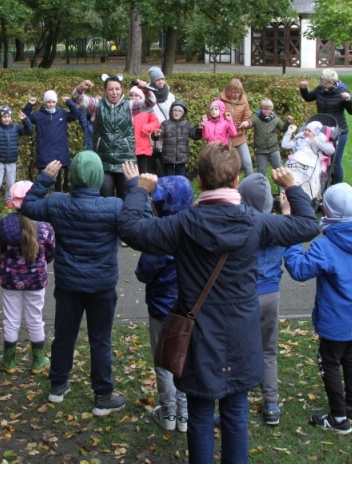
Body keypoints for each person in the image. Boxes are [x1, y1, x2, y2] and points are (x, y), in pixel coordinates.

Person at [118, 144, 320, 464]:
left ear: (200, 180)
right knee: (236, 416)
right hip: (241, 333)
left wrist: (138, 189)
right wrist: (293, 187)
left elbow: (131, 228)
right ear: (236, 180)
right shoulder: (255, 223)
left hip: (198, 334)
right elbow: (308, 225)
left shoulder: (182, 224)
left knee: (200, 415)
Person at [284, 184, 352, 434]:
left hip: (335, 320)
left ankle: (338, 417)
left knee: (330, 362)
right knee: (351, 358)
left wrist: (292, 231)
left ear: (326, 209)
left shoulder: (325, 246)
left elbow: (298, 269)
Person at [20, 152, 127, 416]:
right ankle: (102, 395)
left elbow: (28, 205)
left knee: (65, 335)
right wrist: (135, 186)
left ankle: (58, 385)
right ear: (99, 177)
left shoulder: (57, 202)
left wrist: (45, 178)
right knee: (100, 339)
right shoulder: (114, 206)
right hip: (102, 285)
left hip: (69, 283)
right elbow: (140, 218)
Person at [134, 175, 193, 433]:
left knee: (163, 361)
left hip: (161, 309)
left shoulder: (159, 237)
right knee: (185, 359)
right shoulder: (196, 230)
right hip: (189, 308)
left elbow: (144, 272)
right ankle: (184, 414)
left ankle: (169, 412)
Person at [238, 173, 287, 426]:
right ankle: (271, 404)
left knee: (241, 349)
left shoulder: (239, 225)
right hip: (271, 294)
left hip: (244, 296)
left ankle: (238, 403)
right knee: (268, 350)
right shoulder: (279, 226)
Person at [0, 180, 54, 372]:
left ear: (12, 200)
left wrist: (6, 265)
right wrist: (41, 265)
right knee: (35, 318)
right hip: (36, 281)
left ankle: (9, 361)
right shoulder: (44, 227)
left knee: (11, 319)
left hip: (10, 281)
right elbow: (51, 252)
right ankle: (38, 361)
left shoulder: (3, 226)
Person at [70, 75, 156, 198]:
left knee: (126, 198)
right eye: (110, 89)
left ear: (122, 90)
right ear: (105, 91)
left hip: (126, 163)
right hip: (103, 162)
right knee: (105, 198)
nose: (114, 92)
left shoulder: (130, 106)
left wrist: (145, 89)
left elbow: (150, 102)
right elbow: (76, 99)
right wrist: (81, 88)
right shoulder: (96, 105)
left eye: (117, 89)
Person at [299, 69, 352, 184]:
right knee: (321, 159)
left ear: (332, 82)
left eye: (324, 83)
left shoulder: (342, 91)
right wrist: (303, 89)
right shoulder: (320, 89)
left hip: (339, 131)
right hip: (323, 131)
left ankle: (337, 187)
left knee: (335, 162)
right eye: (321, 81)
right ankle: (321, 185)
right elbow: (308, 97)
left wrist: (348, 100)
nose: (322, 84)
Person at [23, 91, 81, 194]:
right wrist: (30, 105)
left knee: (58, 178)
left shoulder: (62, 113)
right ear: (45, 102)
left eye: (53, 102)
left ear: (56, 102)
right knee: (43, 178)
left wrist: (69, 102)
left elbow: (76, 114)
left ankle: (58, 197)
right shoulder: (39, 115)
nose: (51, 104)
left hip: (59, 151)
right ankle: (42, 198)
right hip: (44, 151)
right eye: (48, 102)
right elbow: (25, 117)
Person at [0, 106, 32, 210]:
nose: (6, 119)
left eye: (8, 116)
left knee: (10, 183)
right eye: (4, 117)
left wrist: (25, 120)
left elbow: (29, 130)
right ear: (0, 118)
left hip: (11, 161)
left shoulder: (16, 128)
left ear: (11, 117)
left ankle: (9, 200)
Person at [281, 120, 335, 202]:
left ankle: (307, 199)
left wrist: (318, 144)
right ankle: (290, 197)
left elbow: (331, 151)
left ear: (314, 133)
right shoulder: (300, 139)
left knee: (309, 179)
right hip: (297, 162)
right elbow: (285, 145)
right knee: (292, 176)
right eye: (305, 130)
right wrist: (289, 132)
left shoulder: (319, 139)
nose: (306, 132)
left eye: (309, 131)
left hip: (310, 163)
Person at [219, 78, 254, 177]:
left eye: (238, 92)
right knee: (227, 166)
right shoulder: (220, 99)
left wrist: (246, 123)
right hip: (224, 137)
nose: (235, 95)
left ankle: (250, 187)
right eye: (233, 92)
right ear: (228, 90)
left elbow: (248, 118)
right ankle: (228, 189)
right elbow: (212, 115)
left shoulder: (244, 101)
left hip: (239, 137)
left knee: (247, 163)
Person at [159, 101, 201, 177]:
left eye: (179, 111)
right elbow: (158, 135)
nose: (177, 113)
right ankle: (169, 189)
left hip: (182, 157)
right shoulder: (165, 123)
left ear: (183, 113)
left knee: (180, 178)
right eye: (175, 110)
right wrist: (156, 134)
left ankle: (179, 189)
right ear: (171, 111)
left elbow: (195, 135)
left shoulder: (186, 124)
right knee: (168, 178)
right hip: (168, 157)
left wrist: (199, 130)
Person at [252, 99, 290, 175]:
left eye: (268, 109)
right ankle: (262, 186)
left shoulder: (275, 119)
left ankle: (283, 186)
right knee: (261, 173)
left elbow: (283, 128)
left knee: (279, 171)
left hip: (274, 149)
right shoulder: (256, 118)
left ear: (272, 109)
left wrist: (288, 122)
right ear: (261, 109)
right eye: (264, 109)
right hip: (261, 150)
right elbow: (249, 124)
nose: (266, 111)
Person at [147, 66, 175, 171]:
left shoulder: (170, 96)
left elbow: (173, 113)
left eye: (162, 79)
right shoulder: (148, 95)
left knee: (165, 159)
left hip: (166, 130)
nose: (160, 82)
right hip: (152, 131)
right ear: (153, 81)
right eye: (157, 80)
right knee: (153, 159)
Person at [131, 86, 162, 176]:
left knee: (142, 174)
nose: (133, 97)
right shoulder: (127, 109)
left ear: (141, 98)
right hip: (129, 148)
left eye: (136, 95)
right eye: (131, 95)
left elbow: (156, 123)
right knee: (130, 175)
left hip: (142, 148)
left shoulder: (148, 110)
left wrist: (146, 128)